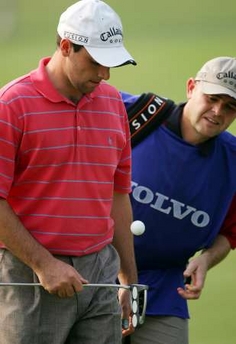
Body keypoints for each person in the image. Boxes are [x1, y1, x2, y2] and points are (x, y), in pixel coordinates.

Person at [0, 1, 138, 343]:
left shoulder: (113, 104)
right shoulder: (11, 105)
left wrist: (128, 280)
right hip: (28, 274)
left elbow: (117, 196)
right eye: (96, 62)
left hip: (101, 270)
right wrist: (43, 264)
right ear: (65, 46)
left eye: (112, 65)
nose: (105, 75)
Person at [121, 56, 236, 344]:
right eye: (211, 98)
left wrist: (206, 260)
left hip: (165, 290)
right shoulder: (133, 113)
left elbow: (231, 231)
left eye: (230, 107)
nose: (217, 111)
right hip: (98, 277)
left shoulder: (232, 161)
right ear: (190, 88)